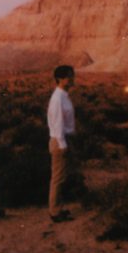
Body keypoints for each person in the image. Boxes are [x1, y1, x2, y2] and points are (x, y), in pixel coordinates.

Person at [47, 64, 76, 222]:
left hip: (64, 139)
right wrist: (63, 145)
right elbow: (57, 125)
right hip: (60, 141)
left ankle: (58, 208)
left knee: (62, 176)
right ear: (60, 79)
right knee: (58, 178)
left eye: (72, 75)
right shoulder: (58, 98)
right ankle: (54, 212)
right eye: (69, 76)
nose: (72, 79)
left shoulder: (63, 96)